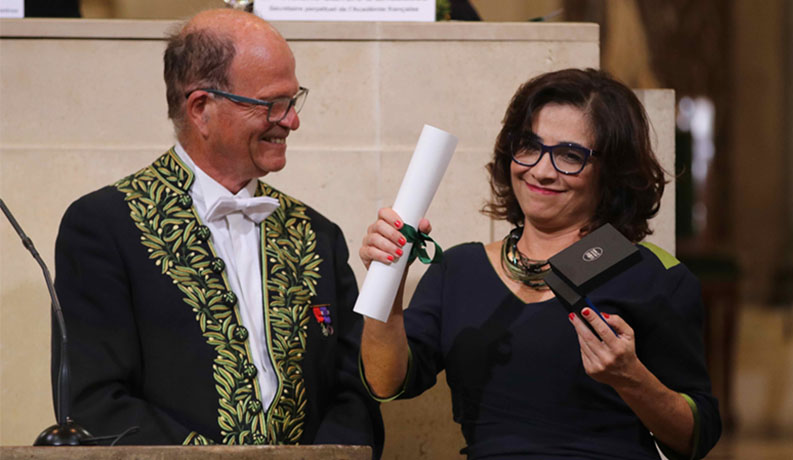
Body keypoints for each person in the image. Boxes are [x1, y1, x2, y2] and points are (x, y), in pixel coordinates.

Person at [53, 9, 382, 453]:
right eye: (271, 104)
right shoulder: (103, 227)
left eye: (292, 100)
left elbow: (355, 390)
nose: (291, 120)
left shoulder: (318, 235)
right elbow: (94, 402)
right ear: (202, 109)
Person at [359, 68, 721, 459]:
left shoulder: (651, 274)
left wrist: (631, 378)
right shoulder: (460, 268)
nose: (542, 171)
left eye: (570, 155)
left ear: (612, 171)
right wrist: (389, 280)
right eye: (529, 146)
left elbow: (695, 437)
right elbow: (387, 383)